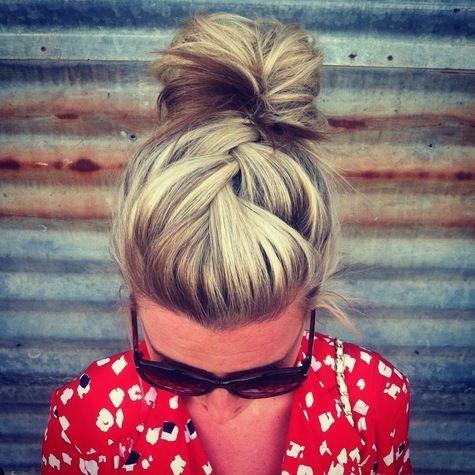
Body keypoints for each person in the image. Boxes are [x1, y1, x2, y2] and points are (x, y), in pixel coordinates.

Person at [41, 11, 412, 475]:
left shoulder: (372, 399)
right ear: (132, 303)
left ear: (314, 303)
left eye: (266, 377)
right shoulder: (88, 416)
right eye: (174, 372)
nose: (222, 409)